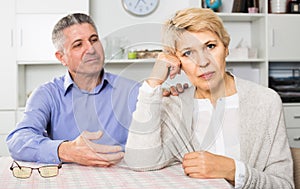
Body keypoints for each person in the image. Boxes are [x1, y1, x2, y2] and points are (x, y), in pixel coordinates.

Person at [124, 8, 294, 189]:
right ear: (177, 62)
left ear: (226, 48)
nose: (203, 62)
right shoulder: (173, 105)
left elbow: (283, 184)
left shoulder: (266, 102)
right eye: (188, 53)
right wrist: (153, 84)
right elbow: (140, 161)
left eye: (210, 46)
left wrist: (233, 170)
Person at [6, 13, 183, 167]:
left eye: (94, 39)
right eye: (78, 45)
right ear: (62, 57)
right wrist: (66, 150)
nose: (91, 49)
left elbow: (160, 135)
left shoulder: (134, 90)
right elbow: (18, 139)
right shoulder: (46, 94)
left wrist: (172, 103)